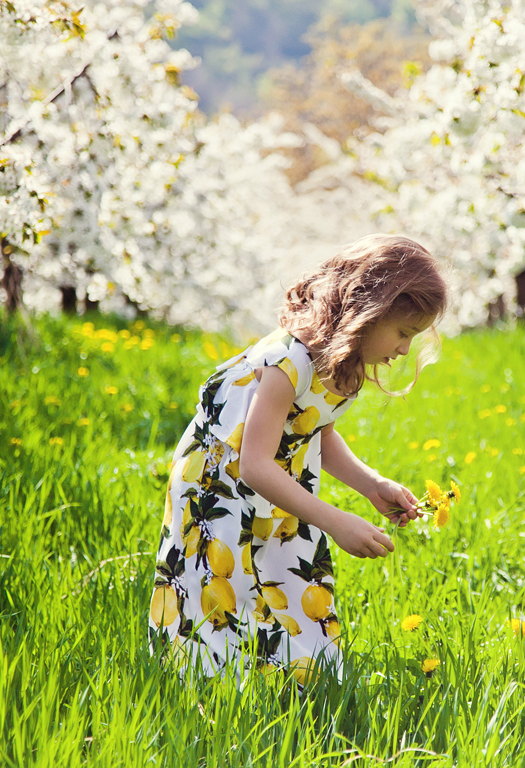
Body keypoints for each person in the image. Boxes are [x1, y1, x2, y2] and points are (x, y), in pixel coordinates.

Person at [148, 234, 448, 682]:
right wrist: (334, 520)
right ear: (368, 311)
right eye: (403, 332)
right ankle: (212, 688)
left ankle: (298, 680)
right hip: (218, 488)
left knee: (288, 573)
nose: (404, 349)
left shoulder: (341, 364)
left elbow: (315, 431)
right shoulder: (287, 362)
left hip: (277, 481)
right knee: (221, 587)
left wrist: (371, 485)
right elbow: (253, 463)